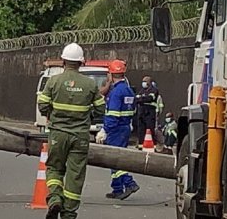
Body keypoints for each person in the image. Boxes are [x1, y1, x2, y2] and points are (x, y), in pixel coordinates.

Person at [37, 43, 106, 219]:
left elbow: (42, 105)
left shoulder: (53, 82)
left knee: (54, 168)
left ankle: (54, 199)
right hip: (80, 137)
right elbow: (100, 109)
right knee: (75, 175)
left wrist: (52, 114)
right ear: (81, 62)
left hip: (57, 134)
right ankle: (68, 214)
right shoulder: (90, 84)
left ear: (63, 61)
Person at [96, 59, 140, 200]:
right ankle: (117, 188)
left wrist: (105, 130)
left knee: (115, 160)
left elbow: (112, 114)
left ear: (111, 74)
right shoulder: (128, 90)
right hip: (125, 127)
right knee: (114, 158)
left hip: (115, 129)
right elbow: (132, 110)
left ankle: (129, 183)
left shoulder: (116, 92)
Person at [135, 76, 160, 149]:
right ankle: (141, 144)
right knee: (141, 129)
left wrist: (141, 99)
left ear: (149, 82)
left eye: (145, 81)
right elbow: (136, 99)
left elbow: (150, 98)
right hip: (142, 111)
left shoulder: (154, 90)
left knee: (150, 128)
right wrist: (142, 98)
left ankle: (153, 145)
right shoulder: (142, 90)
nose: (143, 83)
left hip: (150, 111)